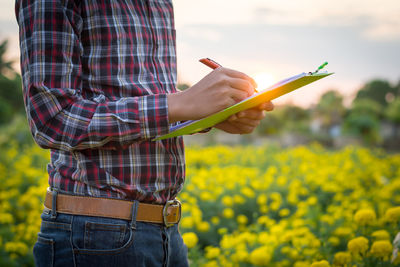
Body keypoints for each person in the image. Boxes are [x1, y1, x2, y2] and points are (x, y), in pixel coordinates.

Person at [15, 0, 274, 266]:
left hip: (167, 231)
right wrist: (180, 103)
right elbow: (52, 119)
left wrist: (212, 114)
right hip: (94, 234)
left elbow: (151, 106)